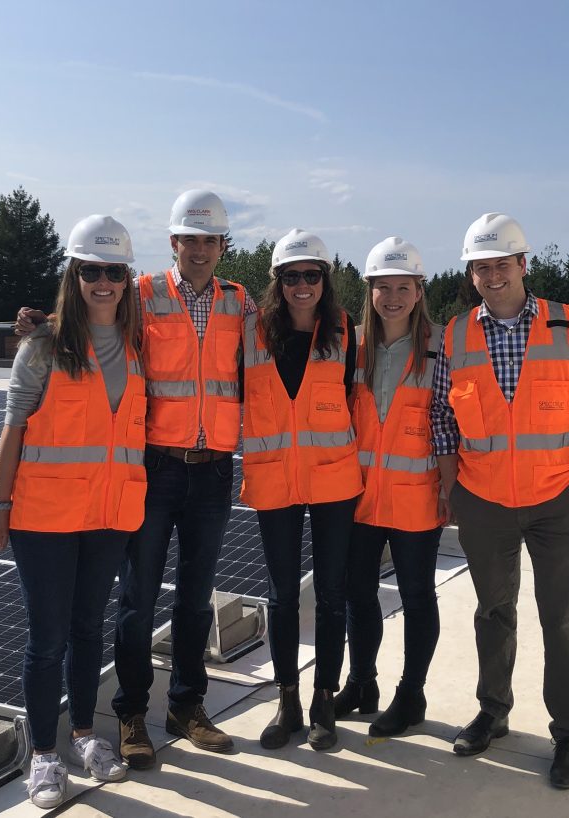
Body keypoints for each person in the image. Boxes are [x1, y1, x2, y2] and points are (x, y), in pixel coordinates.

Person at [17, 190, 254, 768]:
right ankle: (129, 714)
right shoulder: (142, 294)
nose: (200, 250)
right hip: (153, 469)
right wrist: (41, 324)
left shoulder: (238, 301)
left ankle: (186, 706)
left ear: (223, 246)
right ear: (173, 243)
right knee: (138, 598)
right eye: (189, 240)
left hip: (214, 470)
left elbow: (288, 328)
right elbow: (92, 313)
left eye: (210, 240)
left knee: (196, 600)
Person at [429, 212, 569, 789]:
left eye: (501, 265)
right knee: (493, 612)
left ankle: (567, 733)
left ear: (523, 265)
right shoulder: (456, 334)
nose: (491, 276)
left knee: (562, 618)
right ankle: (494, 710)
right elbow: (441, 415)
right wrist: (451, 484)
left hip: (558, 498)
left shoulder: (567, 325)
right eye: (480, 267)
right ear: (472, 272)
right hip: (484, 499)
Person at [0, 215, 145, 808]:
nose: (104, 282)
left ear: (128, 279)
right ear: (74, 276)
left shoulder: (137, 345)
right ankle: (44, 756)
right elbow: (13, 430)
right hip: (45, 517)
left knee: (87, 630)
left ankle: (84, 737)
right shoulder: (42, 347)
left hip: (107, 516)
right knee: (47, 639)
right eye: (91, 271)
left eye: (114, 272)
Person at [241, 229, 362, 752]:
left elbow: (354, 398)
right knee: (282, 594)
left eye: (311, 275)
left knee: (331, 596)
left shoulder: (343, 331)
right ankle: (287, 702)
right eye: (291, 277)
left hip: (333, 477)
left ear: (325, 279)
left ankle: (322, 703)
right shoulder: (250, 333)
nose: (302, 285)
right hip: (273, 478)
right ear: (278, 282)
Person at [333, 237, 446, 738]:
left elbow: (453, 419)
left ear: (420, 291)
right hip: (357, 496)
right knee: (358, 594)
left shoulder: (442, 347)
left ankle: (411, 695)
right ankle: (362, 684)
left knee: (417, 596)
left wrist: (452, 487)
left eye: (404, 287)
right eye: (384, 287)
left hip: (416, 495)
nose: (394, 297)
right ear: (370, 291)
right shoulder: (350, 346)